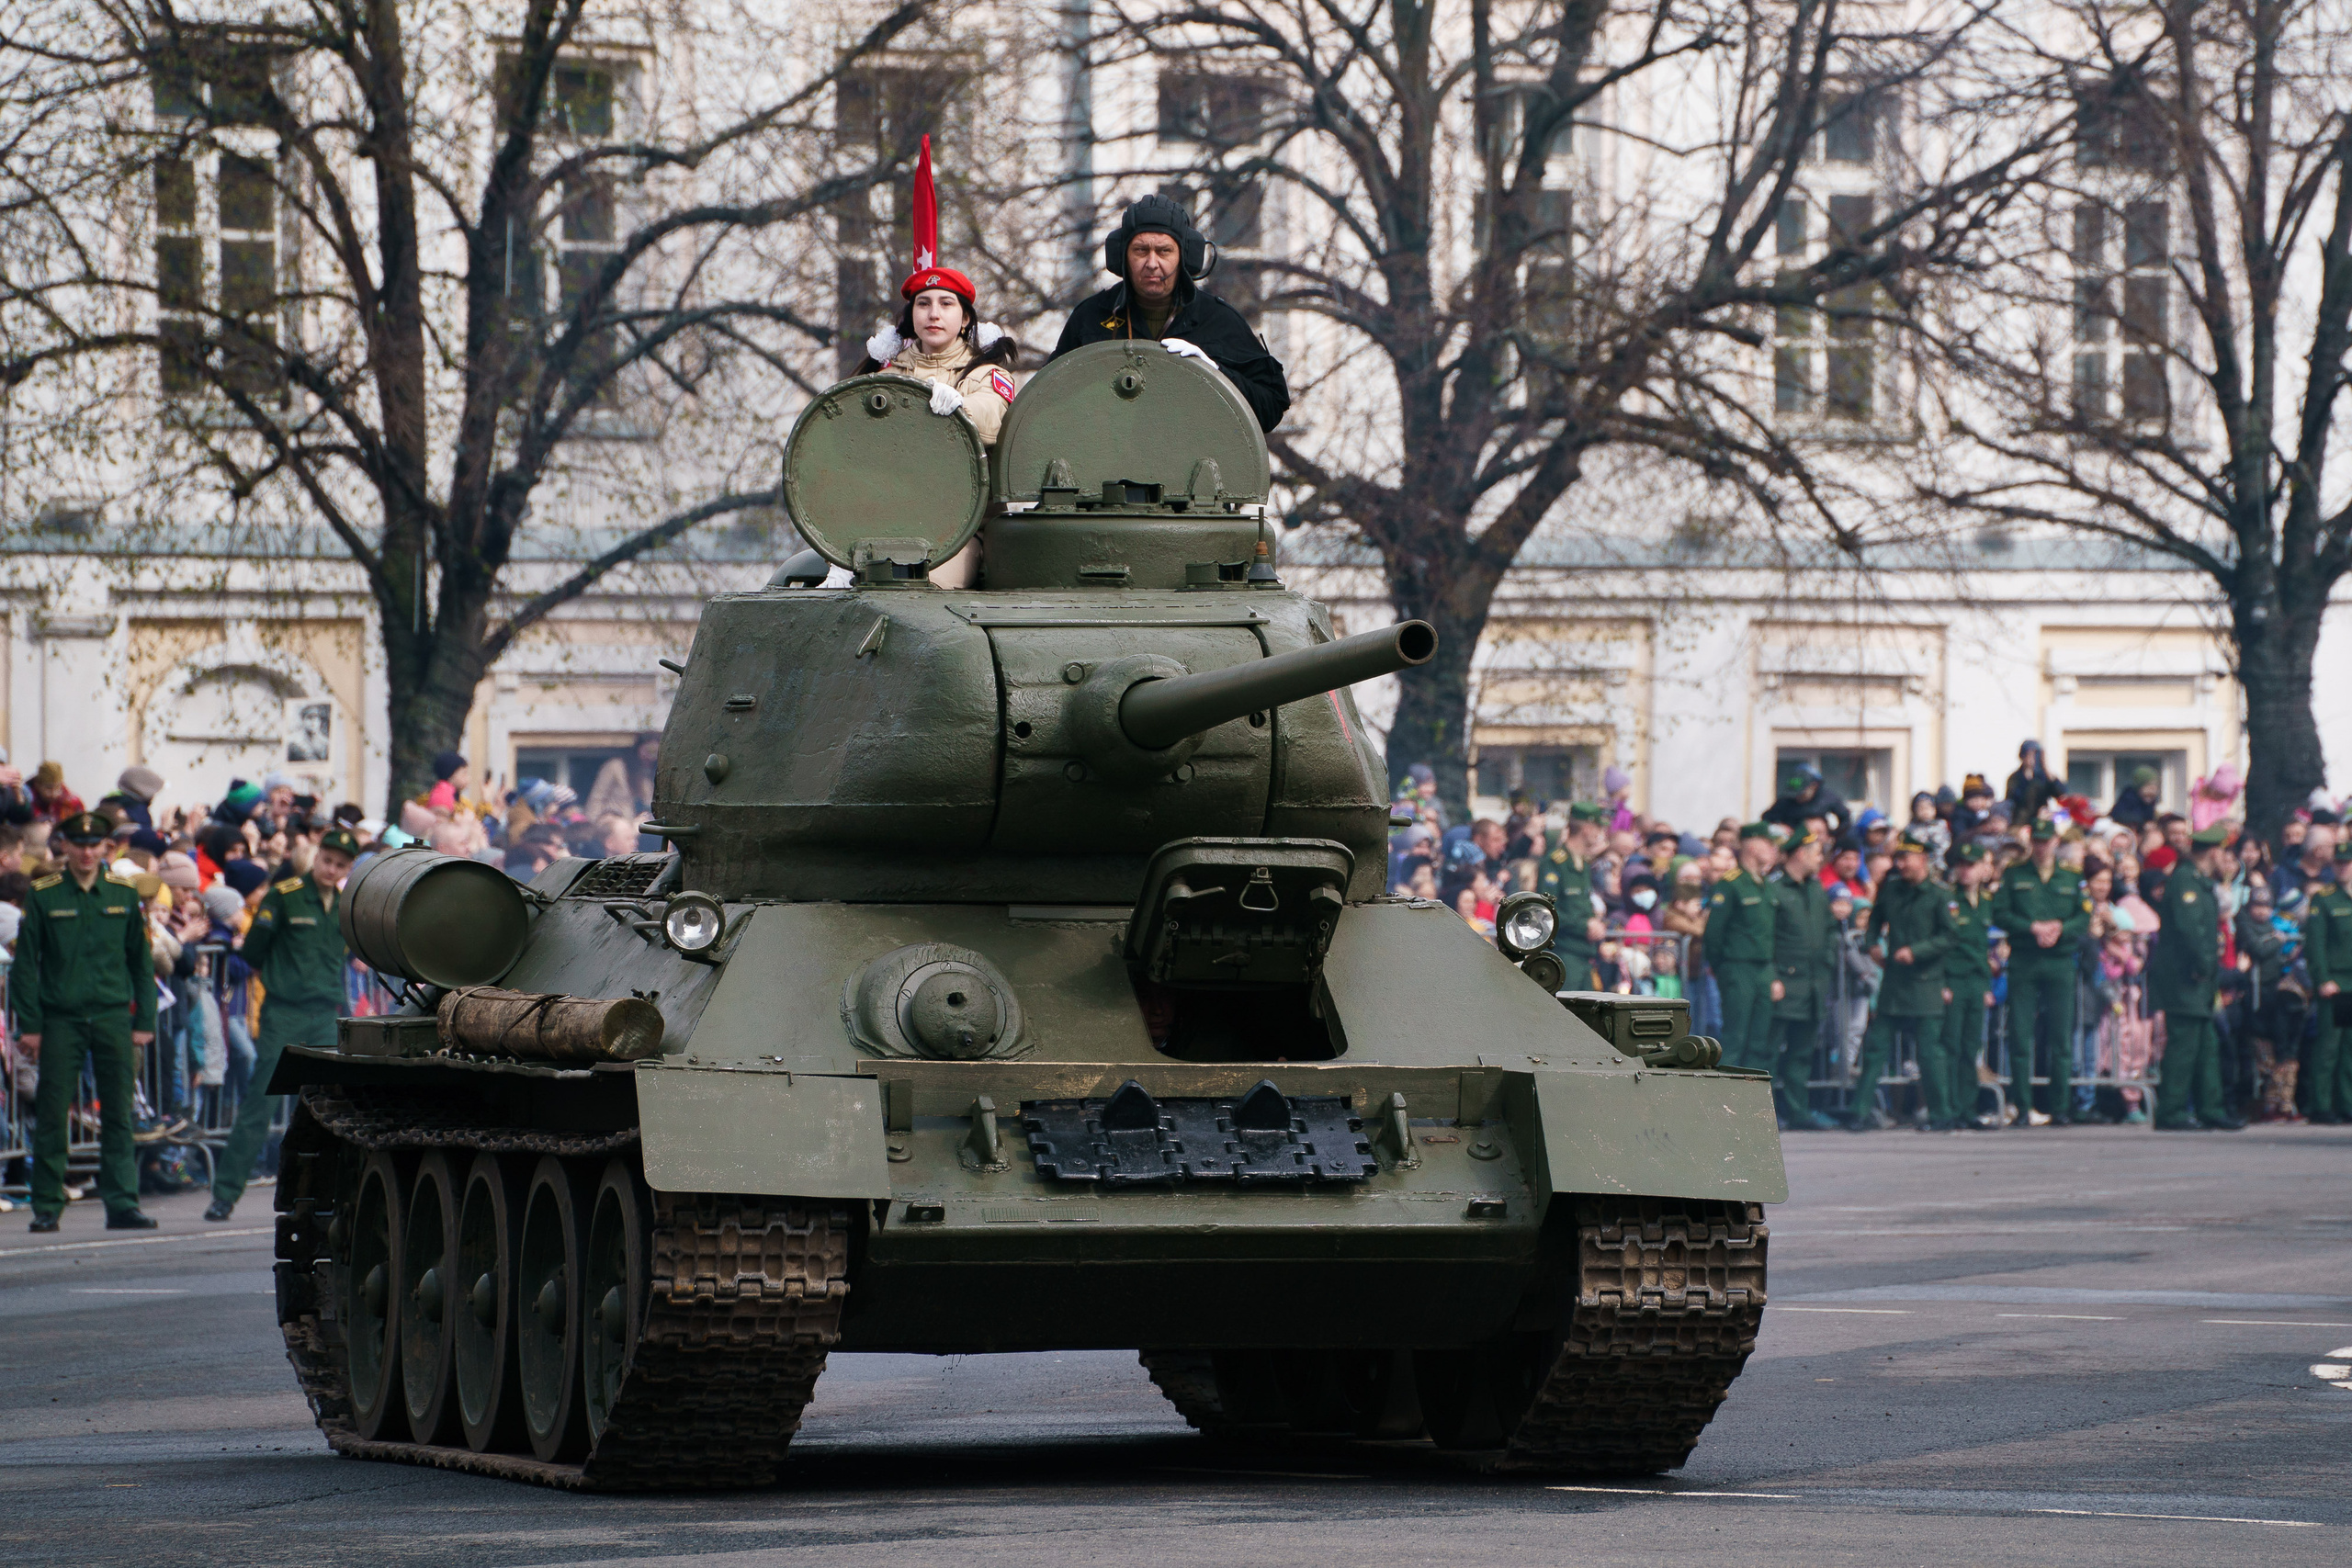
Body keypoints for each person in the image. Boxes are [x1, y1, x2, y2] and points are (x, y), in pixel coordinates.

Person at [206, 826, 360, 1221]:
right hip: (284, 1011)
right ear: (317, 857)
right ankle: (225, 1194)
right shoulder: (286, 896)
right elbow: (256, 948)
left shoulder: (345, 906)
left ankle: (330, 1195)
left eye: (340, 865)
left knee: (332, 1106)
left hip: (326, 1012)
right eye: (327, 860)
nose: (330, 869)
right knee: (261, 1100)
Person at [17, 812, 159, 1231]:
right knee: (52, 1112)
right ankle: (46, 1204)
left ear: (105, 848)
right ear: (64, 847)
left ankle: (122, 1204)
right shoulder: (44, 895)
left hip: (114, 1016)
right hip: (62, 1018)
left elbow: (141, 961)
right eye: (77, 844)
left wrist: (145, 1018)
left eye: (93, 844)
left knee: (118, 1113)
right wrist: (32, 1025)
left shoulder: (122, 892)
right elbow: (26, 965)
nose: (85, 851)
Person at [1049, 192, 1290, 434]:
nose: (1152, 263)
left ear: (1184, 256)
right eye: (1141, 250)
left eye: (1164, 251)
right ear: (1122, 255)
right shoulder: (1092, 317)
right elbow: (1048, 398)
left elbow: (1270, 407)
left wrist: (1215, 374)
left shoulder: (1218, 320)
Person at [1850, 835, 1958, 1130]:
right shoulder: (1892, 890)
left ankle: (1940, 1114)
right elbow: (1874, 920)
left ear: (1923, 859)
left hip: (1925, 983)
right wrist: (1872, 944)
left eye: (1906, 858)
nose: (1901, 864)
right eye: (1898, 858)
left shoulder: (1939, 895)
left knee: (1929, 1053)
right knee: (1876, 1050)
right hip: (1895, 985)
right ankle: (1859, 1112)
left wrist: (1917, 951)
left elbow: (1949, 936)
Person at [1991, 818, 2090, 1123]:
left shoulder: (2072, 877)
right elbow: (2001, 912)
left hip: (2060, 960)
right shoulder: (2014, 874)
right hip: (2025, 957)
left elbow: (2083, 917)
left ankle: (2059, 1107)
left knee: (2061, 1036)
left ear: (2056, 843)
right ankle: (2023, 1106)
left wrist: (2060, 928)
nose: (2042, 846)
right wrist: (2030, 926)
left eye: (2047, 841)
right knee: (2021, 1035)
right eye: (2037, 840)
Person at [855, 265, 1021, 446]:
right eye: (924, 304)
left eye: (946, 304)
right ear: (912, 314)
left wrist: (961, 407)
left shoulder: (986, 375)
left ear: (965, 318)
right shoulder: (886, 378)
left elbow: (993, 416)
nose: (934, 314)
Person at [2149, 825, 2241, 1131]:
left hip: (2199, 977)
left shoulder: (2199, 882)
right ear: (2214, 851)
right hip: (2185, 976)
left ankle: (2210, 1108)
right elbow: (2191, 932)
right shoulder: (2185, 881)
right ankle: (2172, 1111)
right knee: (2184, 1044)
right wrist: (2203, 964)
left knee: (2206, 1045)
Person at [1766, 829, 1838, 1130]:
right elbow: (1765, 937)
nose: (1820, 859)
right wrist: (1771, 977)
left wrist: (1829, 961)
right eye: (1816, 852)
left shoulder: (1816, 889)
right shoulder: (1775, 889)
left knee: (1801, 1054)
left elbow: (1830, 930)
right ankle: (1764, 1114)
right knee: (1768, 1052)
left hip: (1812, 986)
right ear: (1799, 853)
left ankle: (1798, 1111)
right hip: (1784, 984)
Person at [1706, 824, 1780, 1078]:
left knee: (1759, 1040)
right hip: (1737, 967)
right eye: (1768, 843)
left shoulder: (1765, 885)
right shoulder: (1731, 884)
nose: (1773, 849)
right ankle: (1725, 1104)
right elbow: (1714, 933)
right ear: (1751, 844)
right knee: (1735, 1038)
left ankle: (1752, 1105)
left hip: (1763, 969)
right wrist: (1722, 968)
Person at [1939, 842, 1996, 1127]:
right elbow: (1944, 944)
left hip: (1976, 980)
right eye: (1961, 865)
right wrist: (1943, 982)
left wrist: (1986, 985)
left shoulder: (1985, 901)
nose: (1965, 871)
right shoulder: (1949, 900)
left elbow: (1983, 946)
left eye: (1971, 865)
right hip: (1954, 978)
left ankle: (1967, 1108)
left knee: (1971, 1046)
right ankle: (1949, 1107)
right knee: (1952, 1044)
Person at [2303, 839, 2352, 1123]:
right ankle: (2321, 1106)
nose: (2343, 868)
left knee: (2350, 1050)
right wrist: (2322, 978)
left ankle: (2347, 1104)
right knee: (2329, 1048)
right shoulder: (2325, 898)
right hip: (2337, 982)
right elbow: (2316, 944)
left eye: (2347, 863)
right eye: (2339, 863)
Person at [1537, 803, 1608, 988]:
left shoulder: (1582, 864)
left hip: (1583, 954)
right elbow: (1547, 911)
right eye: (1598, 827)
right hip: (1563, 953)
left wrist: (1595, 923)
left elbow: (1582, 905)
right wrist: (1584, 925)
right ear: (1587, 828)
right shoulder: (1555, 862)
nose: (1600, 833)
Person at [1761, 763, 1850, 844]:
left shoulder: (1828, 798)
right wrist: (1780, 827)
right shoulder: (1786, 800)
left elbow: (1845, 818)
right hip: (1792, 840)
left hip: (1816, 840)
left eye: (1802, 793)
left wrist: (1832, 835)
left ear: (1814, 786)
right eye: (1795, 793)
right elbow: (1767, 818)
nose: (1797, 797)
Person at [585, 732, 662, 823]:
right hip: (613, 827)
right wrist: (593, 826)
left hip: (639, 830)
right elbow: (596, 799)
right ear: (638, 748)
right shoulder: (615, 767)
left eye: (655, 753)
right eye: (648, 751)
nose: (651, 757)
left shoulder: (651, 776)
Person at [2004, 740, 2063, 826]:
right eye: (2029, 755)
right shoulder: (2014, 778)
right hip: (2020, 823)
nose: (2032, 758)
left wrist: (2046, 769)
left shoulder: (2043, 777)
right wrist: (2027, 777)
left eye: (2035, 755)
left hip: (2041, 823)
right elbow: (2012, 801)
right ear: (2022, 756)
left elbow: (2060, 793)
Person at [2109, 765, 2161, 829]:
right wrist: (2143, 824)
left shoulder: (2150, 804)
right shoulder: (2127, 799)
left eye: (2155, 788)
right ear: (2139, 788)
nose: (2153, 792)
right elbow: (2118, 816)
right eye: (2149, 787)